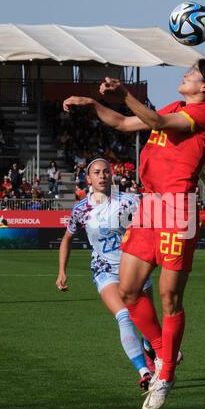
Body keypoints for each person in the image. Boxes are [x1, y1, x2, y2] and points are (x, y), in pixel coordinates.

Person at [63, 58, 205, 409]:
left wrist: (124, 92)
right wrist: (95, 104)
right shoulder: (176, 105)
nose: (185, 74)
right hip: (150, 207)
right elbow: (125, 122)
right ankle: (162, 351)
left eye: (193, 73)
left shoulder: (203, 114)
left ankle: (166, 374)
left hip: (178, 209)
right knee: (128, 291)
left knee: (168, 296)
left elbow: (154, 121)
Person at [56, 158, 155, 391]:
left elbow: (153, 219)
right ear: (88, 179)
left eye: (106, 172)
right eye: (96, 173)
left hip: (135, 268)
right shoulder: (81, 209)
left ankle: (154, 350)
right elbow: (67, 238)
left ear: (112, 175)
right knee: (124, 316)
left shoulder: (130, 201)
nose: (102, 176)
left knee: (148, 322)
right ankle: (144, 372)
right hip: (104, 269)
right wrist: (62, 271)